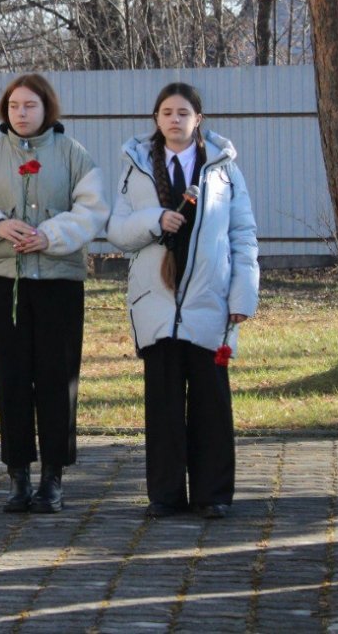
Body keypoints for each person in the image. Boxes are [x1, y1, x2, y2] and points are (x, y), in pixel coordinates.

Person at [0, 74, 108, 514]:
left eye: (30, 105)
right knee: (13, 379)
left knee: (58, 380)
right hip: (6, 284)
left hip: (60, 284)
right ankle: (18, 474)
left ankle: (53, 477)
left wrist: (51, 235)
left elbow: (92, 209)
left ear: (47, 109)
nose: (21, 113)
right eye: (14, 105)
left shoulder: (74, 154)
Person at [106, 82, 259, 520]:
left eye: (183, 113)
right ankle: (166, 495)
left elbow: (243, 234)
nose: (175, 119)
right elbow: (117, 231)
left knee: (212, 402)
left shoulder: (223, 169)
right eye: (167, 112)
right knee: (164, 403)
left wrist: (243, 294)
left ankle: (213, 495)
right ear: (156, 118)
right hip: (155, 303)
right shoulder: (135, 167)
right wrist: (155, 219)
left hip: (209, 301)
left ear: (198, 120)